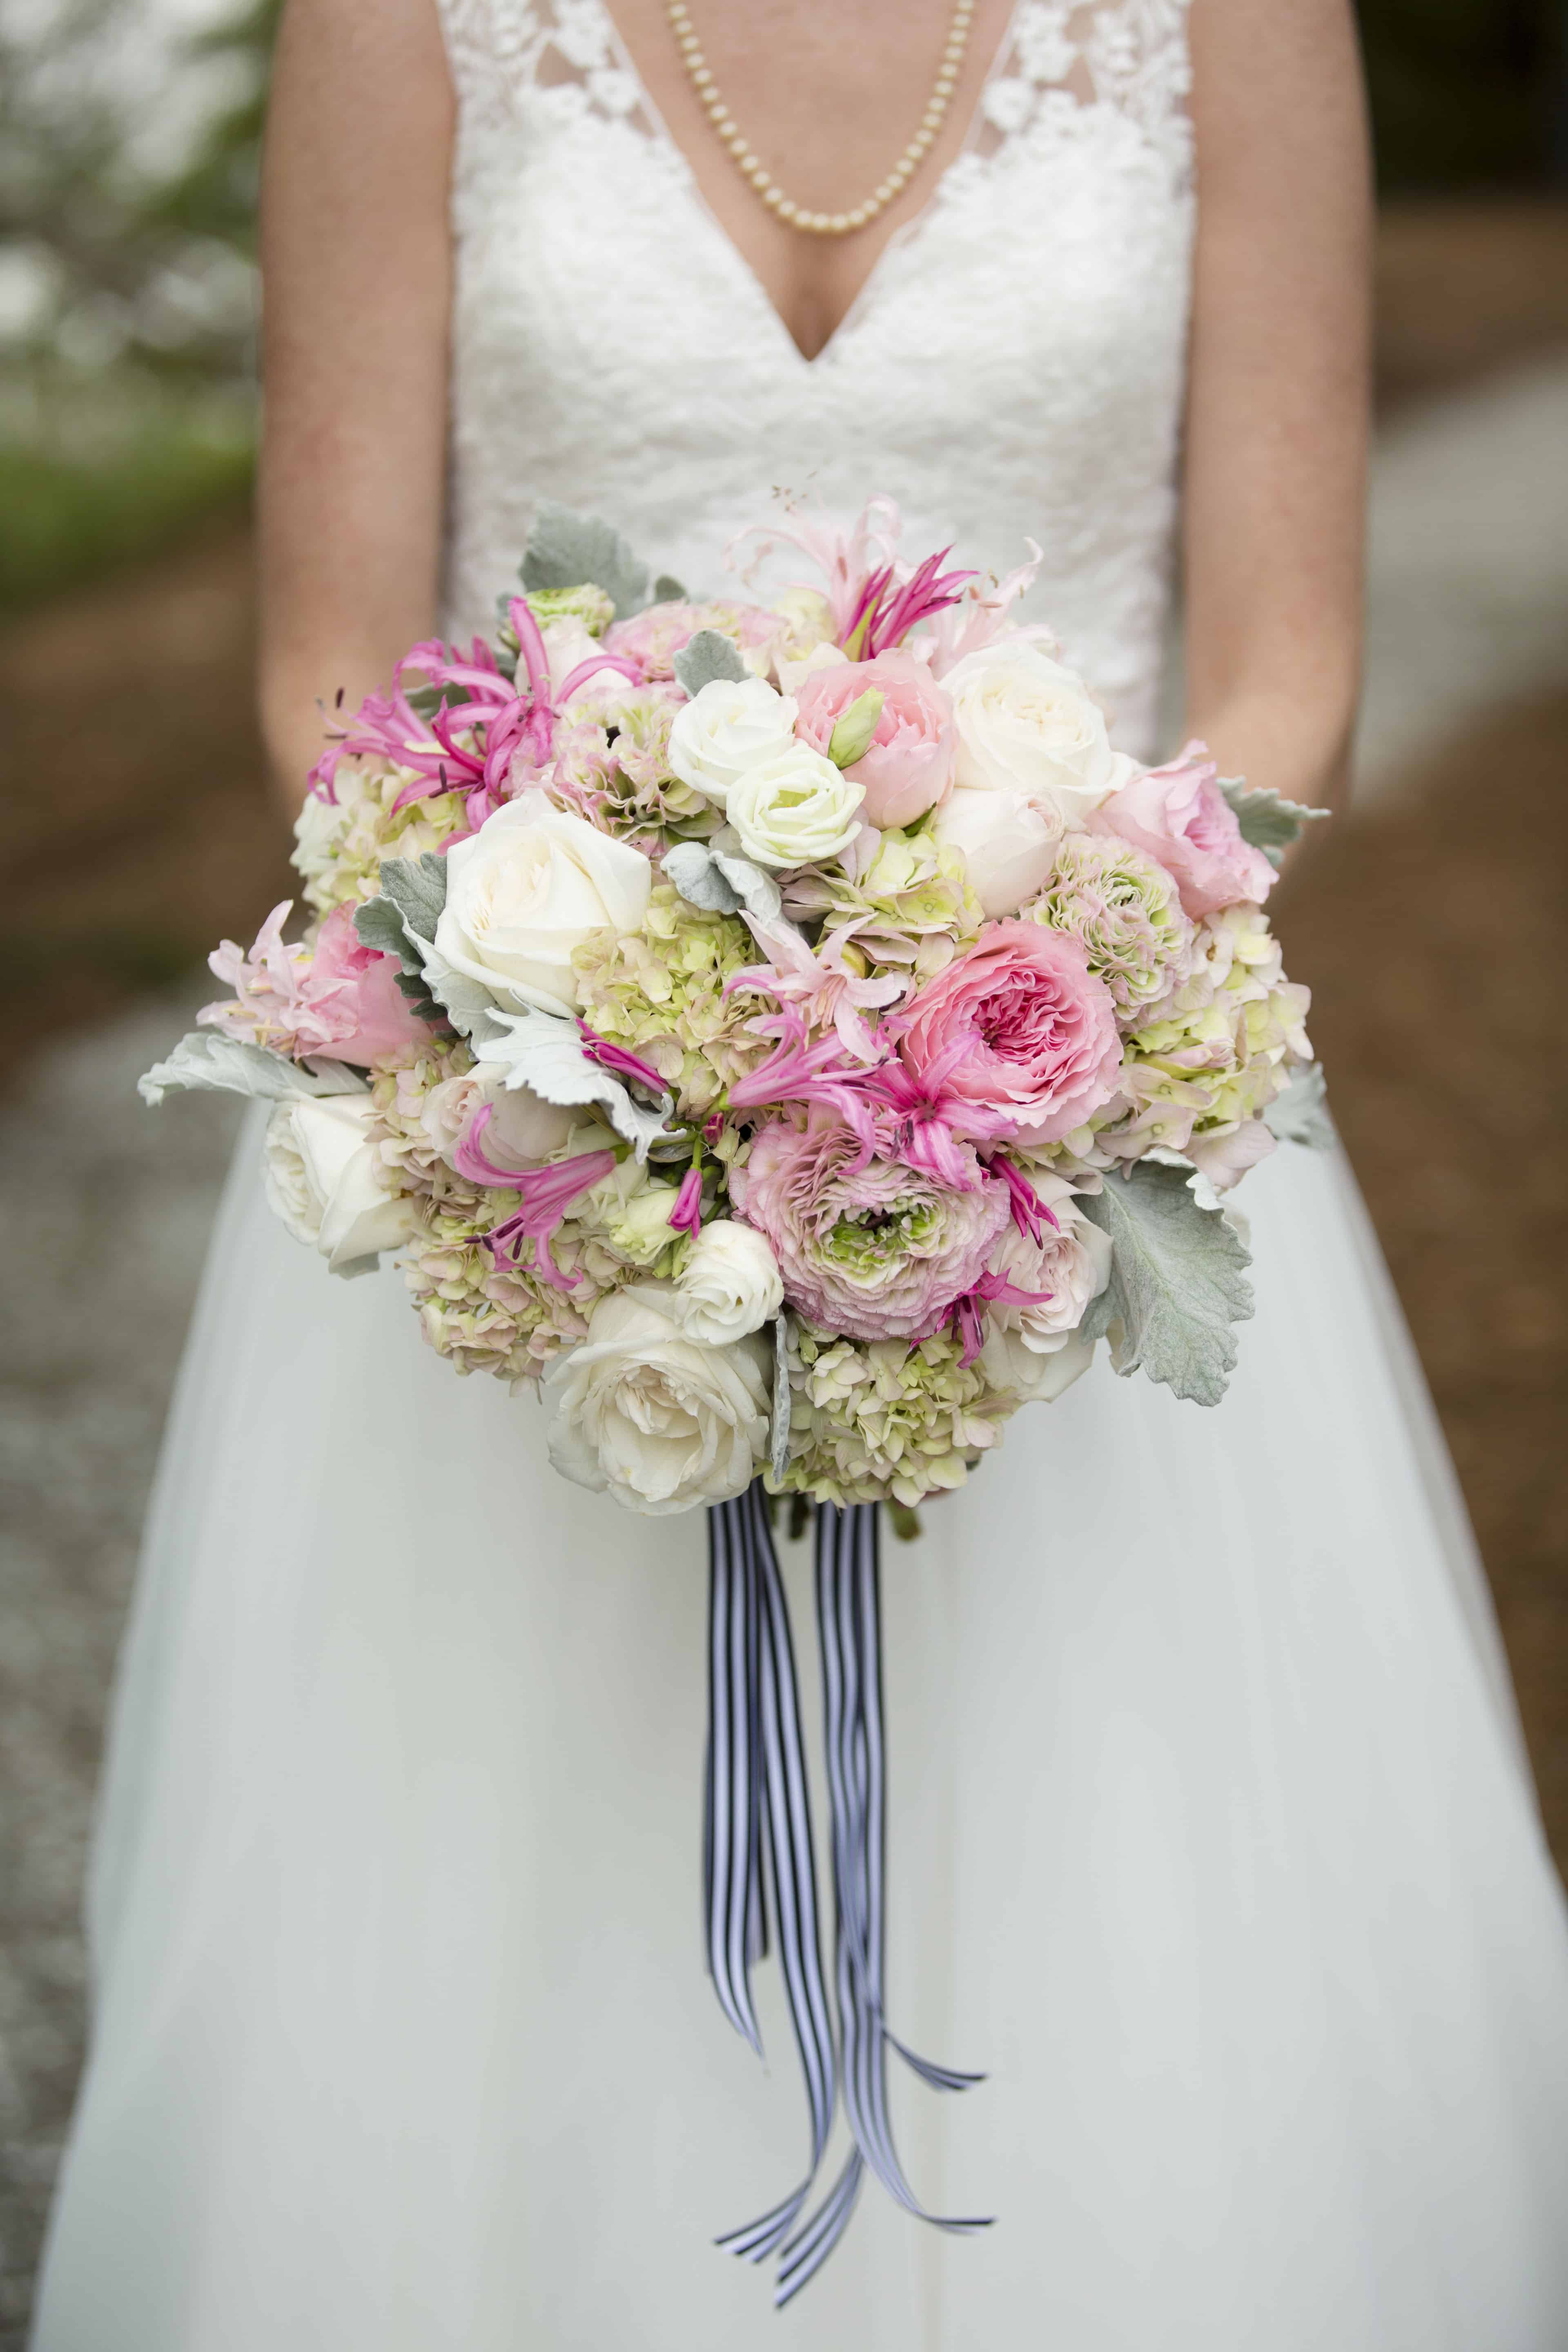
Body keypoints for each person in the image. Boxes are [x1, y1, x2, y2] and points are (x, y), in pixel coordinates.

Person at [30, 1, 1568, 2344]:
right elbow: (331, 671)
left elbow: (1288, 676)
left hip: (1085, 1130)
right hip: (542, 1156)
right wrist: (609, 1027)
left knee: (1138, 1971)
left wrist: (1015, 1014)